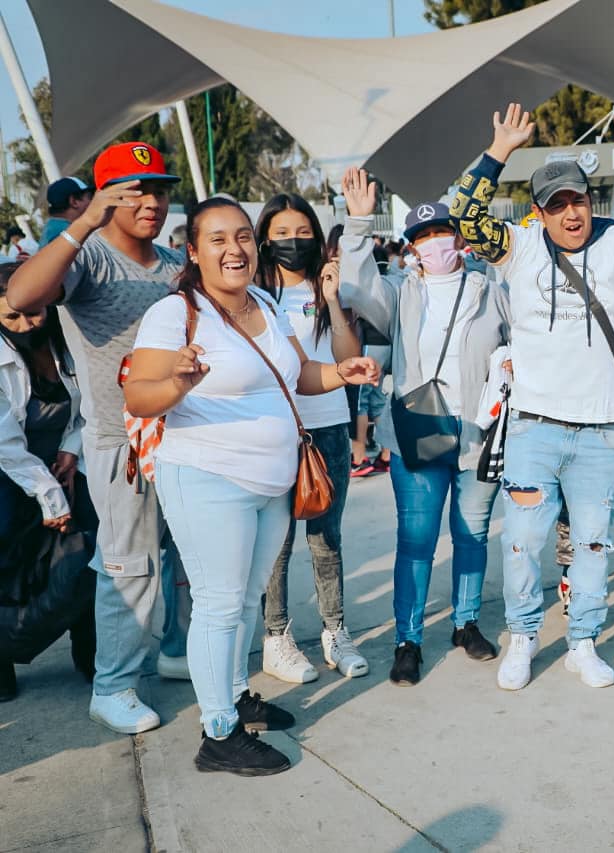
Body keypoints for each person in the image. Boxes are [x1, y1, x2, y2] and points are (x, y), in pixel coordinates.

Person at [124, 197, 379, 777]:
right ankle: (218, 733)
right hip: (208, 479)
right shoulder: (176, 313)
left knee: (243, 602)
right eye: (217, 239)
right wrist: (178, 384)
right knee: (217, 606)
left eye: (242, 236)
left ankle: (238, 696)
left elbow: (300, 376)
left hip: (273, 485)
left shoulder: (265, 301)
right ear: (193, 251)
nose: (234, 249)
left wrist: (344, 372)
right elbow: (139, 395)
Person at [451, 103, 614, 690]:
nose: (571, 213)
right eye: (557, 205)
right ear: (540, 213)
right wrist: (497, 152)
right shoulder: (521, 245)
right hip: (534, 427)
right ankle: (524, 638)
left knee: (594, 544)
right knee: (525, 543)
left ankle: (583, 641)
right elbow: (466, 222)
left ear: (590, 200)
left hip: (603, 429)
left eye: (577, 199)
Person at [6, 141, 193, 734]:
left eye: (159, 189)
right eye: (133, 190)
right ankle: (113, 685)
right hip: (121, 443)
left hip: (184, 435)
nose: (150, 201)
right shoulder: (87, 260)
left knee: (187, 559)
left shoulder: (171, 265)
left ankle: (175, 650)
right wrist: (82, 223)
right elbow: (21, 296)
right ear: (105, 197)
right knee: (128, 568)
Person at [341, 170, 511, 686]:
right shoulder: (399, 293)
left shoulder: (490, 289)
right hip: (417, 434)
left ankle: (465, 623)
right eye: (421, 238)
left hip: (477, 435)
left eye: (440, 233)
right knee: (415, 539)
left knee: (472, 534)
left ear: (458, 238)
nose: (433, 244)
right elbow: (355, 286)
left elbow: (521, 335)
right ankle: (408, 639)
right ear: (412, 248)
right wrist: (357, 224)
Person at [256, 194, 368, 684]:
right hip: (279, 430)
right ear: (264, 238)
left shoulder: (326, 287)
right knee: (276, 543)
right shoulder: (256, 294)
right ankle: (276, 637)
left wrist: (331, 302)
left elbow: (347, 357)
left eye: (302, 232)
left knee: (326, 539)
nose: (293, 242)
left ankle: (334, 632)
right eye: (281, 233)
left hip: (329, 427)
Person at [0, 263, 95, 701]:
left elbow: (89, 403)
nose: (25, 324)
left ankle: (89, 648)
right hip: (12, 473)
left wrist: (72, 448)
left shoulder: (70, 340)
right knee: (7, 566)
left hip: (68, 466)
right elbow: (6, 444)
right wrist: (49, 494)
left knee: (87, 559)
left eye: (33, 313)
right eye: (11, 318)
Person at [41, 177, 93, 246]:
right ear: (74, 202)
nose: (92, 201)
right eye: (90, 197)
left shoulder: (52, 228)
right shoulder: (67, 233)